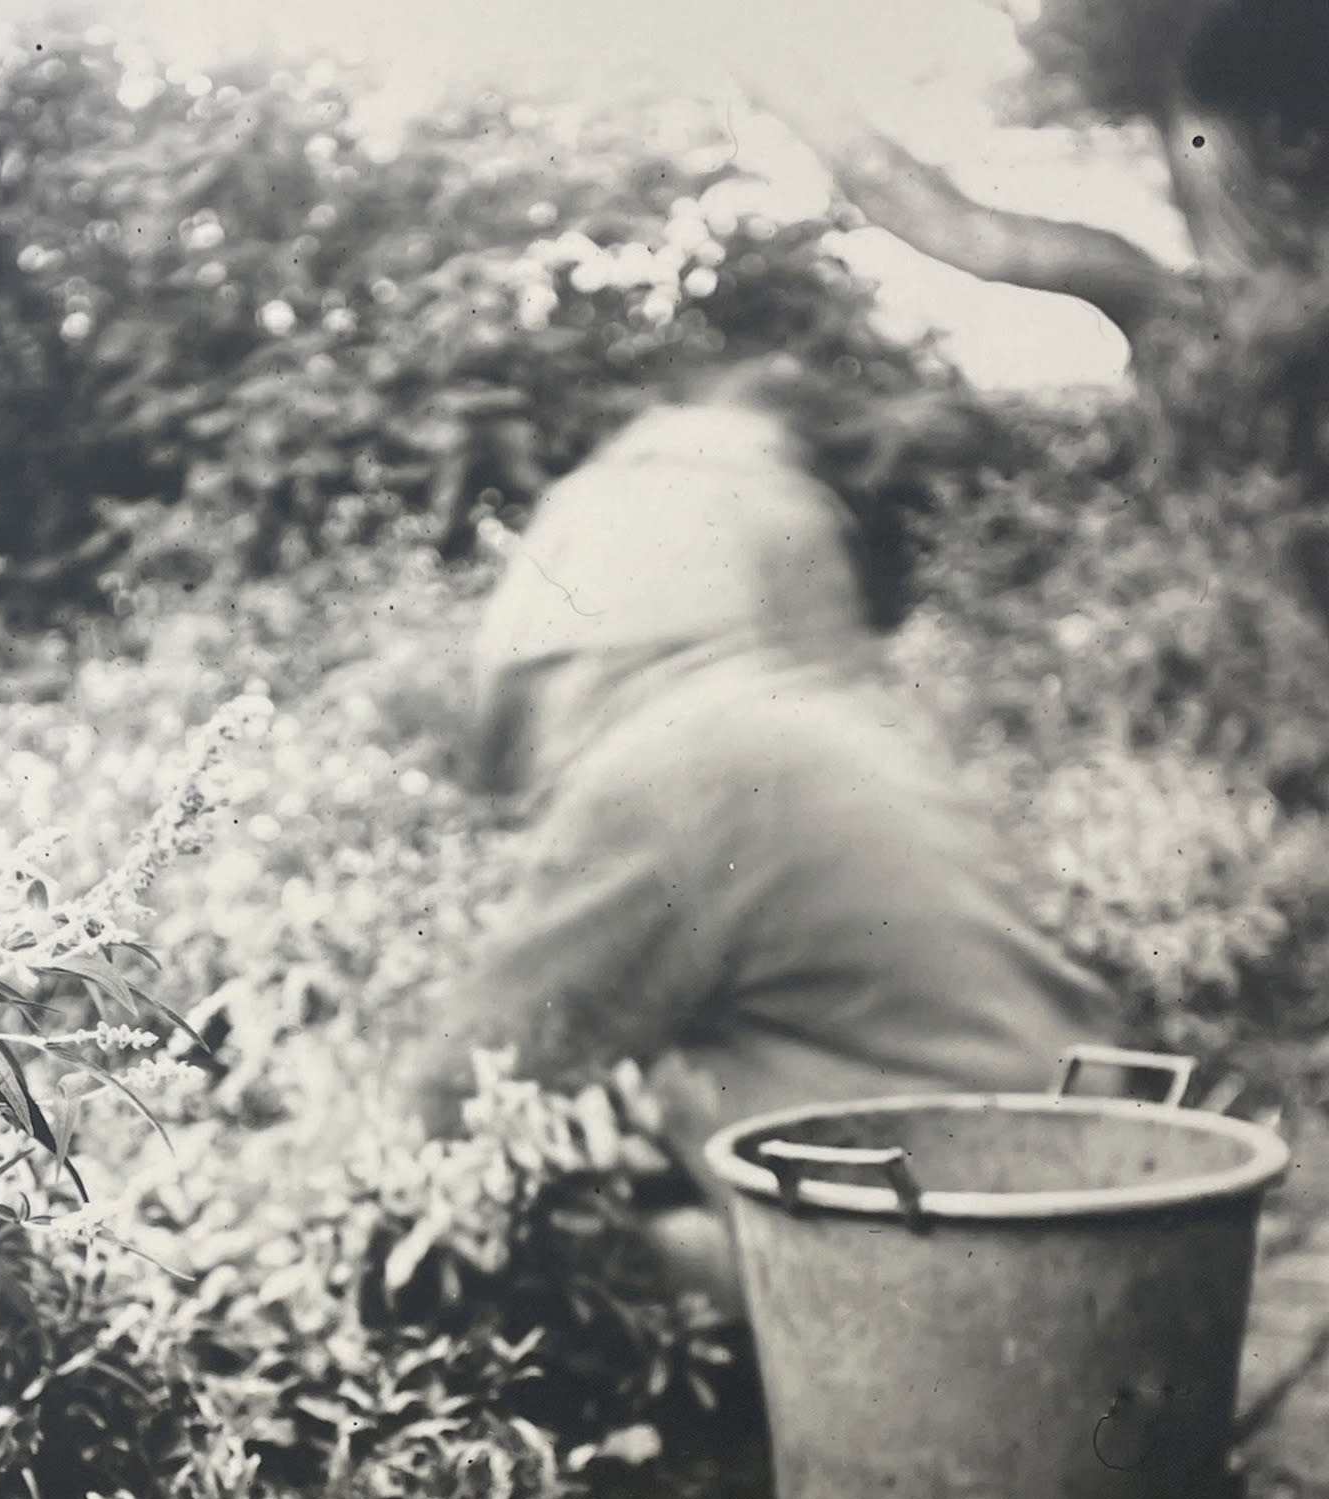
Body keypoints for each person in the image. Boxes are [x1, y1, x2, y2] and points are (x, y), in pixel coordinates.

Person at [407, 367, 1120, 1319]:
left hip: (953, 1281)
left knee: (521, 1256)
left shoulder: (670, 769)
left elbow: (466, 1085)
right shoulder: (812, 726)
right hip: (1082, 1218)